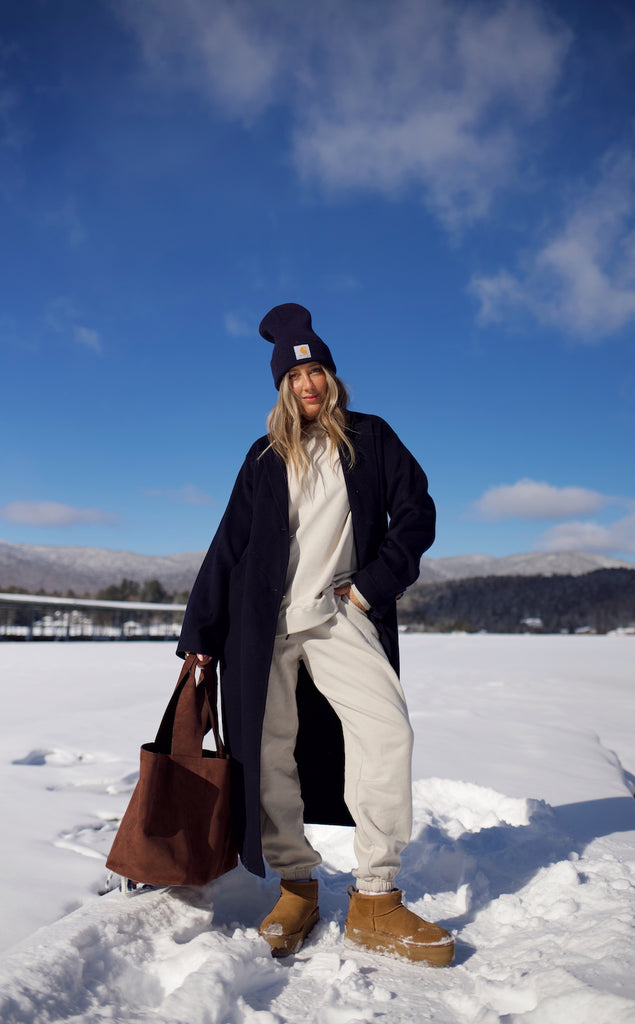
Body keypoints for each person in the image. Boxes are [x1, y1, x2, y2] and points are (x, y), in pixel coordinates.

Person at [178, 303, 454, 966]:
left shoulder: (371, 438)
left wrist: (368, 587)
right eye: (296, 374)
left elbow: (416, 516)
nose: (309, 383)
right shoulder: (263, 456)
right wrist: (200, 633)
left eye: (318, 370)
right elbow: (228, 548)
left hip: (340, 617)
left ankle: (375, 898)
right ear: (281, 385)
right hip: (261, 626)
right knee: (266, 752)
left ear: (331, 377)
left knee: (386, 732)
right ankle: (296, 885)